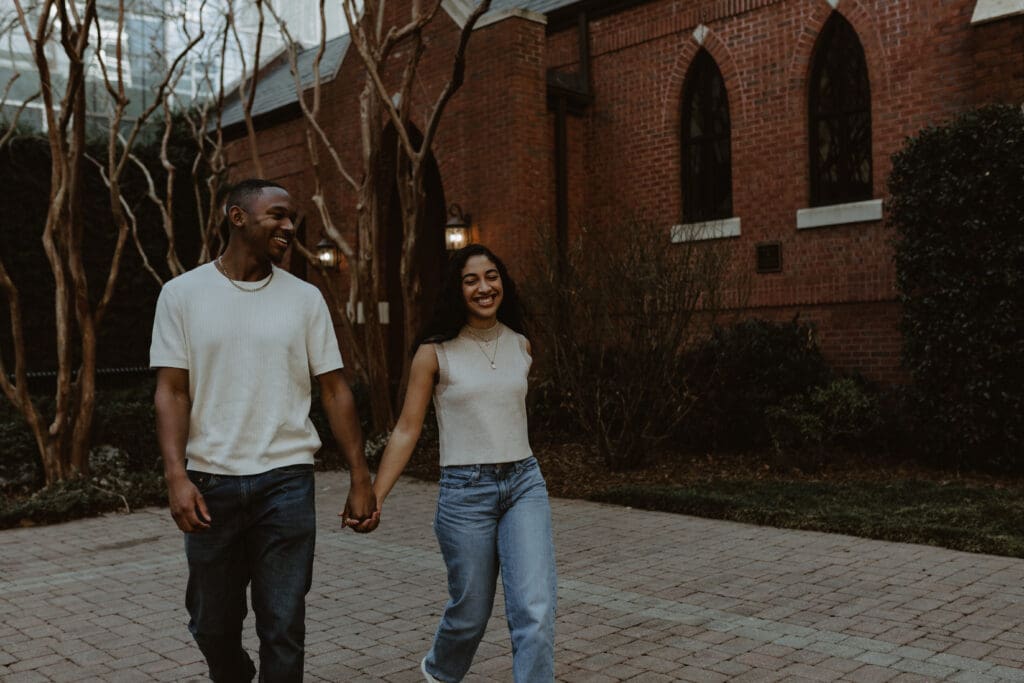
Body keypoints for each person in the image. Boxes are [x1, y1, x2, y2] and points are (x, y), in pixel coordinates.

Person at [150, 178, 376, 682]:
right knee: (212, 625)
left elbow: (335, 391)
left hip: (287, 483)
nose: (289, 226)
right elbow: (171, 391)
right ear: (237, 217)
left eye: (291, 217)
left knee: (284, 625)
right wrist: (175, 476)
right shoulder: (181, 295)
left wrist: (361, 477)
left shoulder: (305, 299)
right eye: (276, 215)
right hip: (211, 482)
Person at [361, 244, 557, 682]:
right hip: (465, 492)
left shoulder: (521, 344)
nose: (484, 287)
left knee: (536, 612)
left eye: (492, 276)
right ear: (457, 289)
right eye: (472, 280)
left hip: (524, 484)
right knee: (470, 614)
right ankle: (439, 673)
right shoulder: (435, 352)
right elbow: (408, 429)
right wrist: (376, 495)